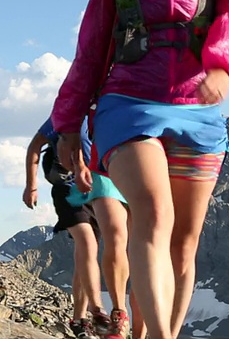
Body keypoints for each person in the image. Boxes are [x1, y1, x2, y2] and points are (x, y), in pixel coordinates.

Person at [51, 0, 229, 338]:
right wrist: (67, 124)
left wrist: (222, 66)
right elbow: (91, 48)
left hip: (199, 112)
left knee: (184, 243)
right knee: (155, 212)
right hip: (129, 104)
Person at [23, 117, 109, 339]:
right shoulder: (64, 113)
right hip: (67, 190)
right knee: (86, 243)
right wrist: (31, 186)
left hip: (97, 192)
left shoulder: (107, 110)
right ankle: (96, 308)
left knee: (85, 254)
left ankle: (79, 321)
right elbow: (35, 146)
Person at [67, 118, 146, 339]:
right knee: (116, 236)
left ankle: (136, 331)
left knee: (143, 251)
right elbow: (71, 126)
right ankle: (119, 315)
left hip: (143, 161)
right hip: (103, 165)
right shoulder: (94, 91)